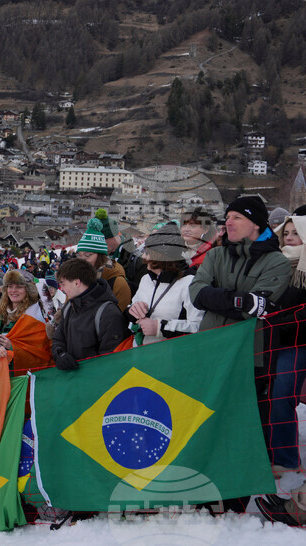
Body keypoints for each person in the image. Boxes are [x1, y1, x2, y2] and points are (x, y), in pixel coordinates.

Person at [190, 195, 291, 366]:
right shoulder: (215, 255)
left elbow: (255, 307)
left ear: (256, 223)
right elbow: (196, 294)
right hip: (208, 349)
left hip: (249, 357)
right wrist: (240, 300)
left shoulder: (277, 261)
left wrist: (213, 297)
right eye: (228, 217)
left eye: (237, 217)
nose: (228, 222)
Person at [264, 213, 306, 476]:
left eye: (296, 233)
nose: (289, 238)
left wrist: (277, 317)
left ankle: (286, 461)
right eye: (286, 233)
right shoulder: (275, 265)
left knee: (281, 396)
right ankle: (273, 454)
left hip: (298, 343)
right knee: (269, 396)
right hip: (273, 341)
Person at [125, 222, 203, 347]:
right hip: (141, 354)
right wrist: (132, 310)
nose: (144, 256)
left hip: (170, 358)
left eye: (148, 251)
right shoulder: (146, 279)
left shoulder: (189, 283)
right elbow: (132, 308)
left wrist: (160, 328)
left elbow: (198, 327)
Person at [51, 258, 129, 370]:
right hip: (72, 379)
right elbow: (58, 339)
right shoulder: (70, 306)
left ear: (77, 282)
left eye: (63, 283)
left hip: (96, 382)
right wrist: (61, 355)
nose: (61, 289)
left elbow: (111, 360)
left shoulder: (108, 313)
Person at [76, 217, 131, 312]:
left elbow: (118, 319)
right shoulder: (76, 278)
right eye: (80, 255)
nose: (82, 260)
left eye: (88, 255)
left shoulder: (117, 283)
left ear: (100, 257)